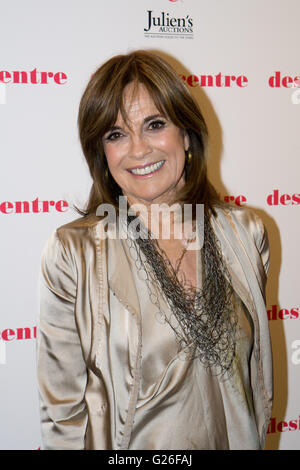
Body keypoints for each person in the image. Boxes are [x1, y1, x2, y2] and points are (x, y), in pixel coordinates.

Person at [37, 50, 273, 450]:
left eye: (154, 124)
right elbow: (62, 415)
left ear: (186, 133)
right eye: (116, 134)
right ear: (102, 154)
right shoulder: (73, 253)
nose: (139, 149)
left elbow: (250, 383)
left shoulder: (246, 234)